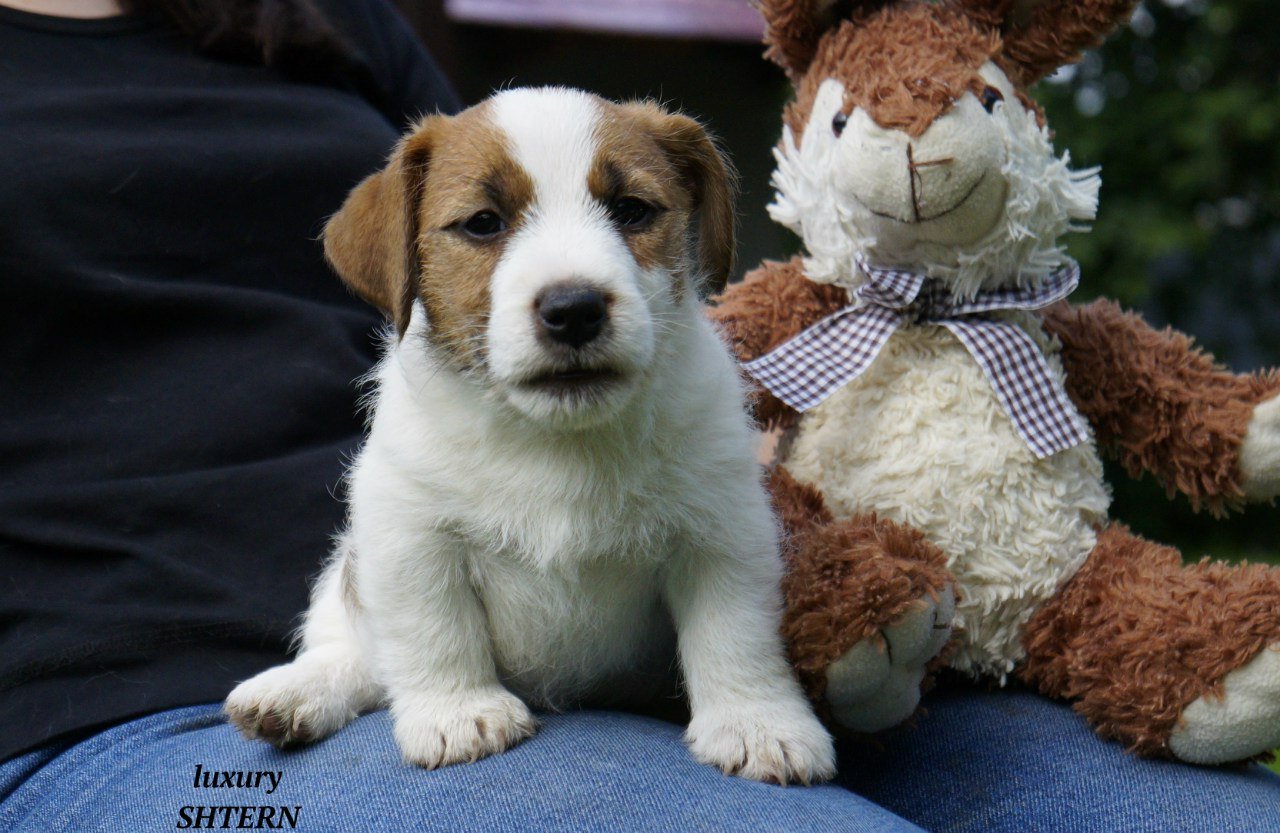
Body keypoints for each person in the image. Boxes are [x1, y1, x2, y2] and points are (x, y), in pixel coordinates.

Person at [1, 1, 1278, 830]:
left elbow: (518, 158)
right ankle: (341, 659)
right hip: (140, 713)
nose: (570, 272)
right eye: (486, 229)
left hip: (648, 668)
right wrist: (413, 674)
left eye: (629, 216)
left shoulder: (314, 20)